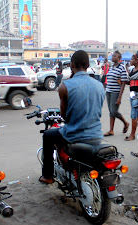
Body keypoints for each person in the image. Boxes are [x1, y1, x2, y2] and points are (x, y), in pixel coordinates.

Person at [39, 50, 105, 184]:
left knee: (48, 135)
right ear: (87, 65)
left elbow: (64, 116)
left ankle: (48, 176)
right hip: (96, 134)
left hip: (74, 135)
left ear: (71, 65)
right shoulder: (99, 86)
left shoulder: (65, 86)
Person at [103, 51, 129, 137]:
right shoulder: (111, 67)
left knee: (114, 111)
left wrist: (119, 97)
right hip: (109, 91)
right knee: (111, 111)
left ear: (119, 58)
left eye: (114, 56)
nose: (112, 57)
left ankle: (125, 123)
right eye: (112, 55)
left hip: (116, 92)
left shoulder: (122, 68)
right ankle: (111, 130)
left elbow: (123, 83)